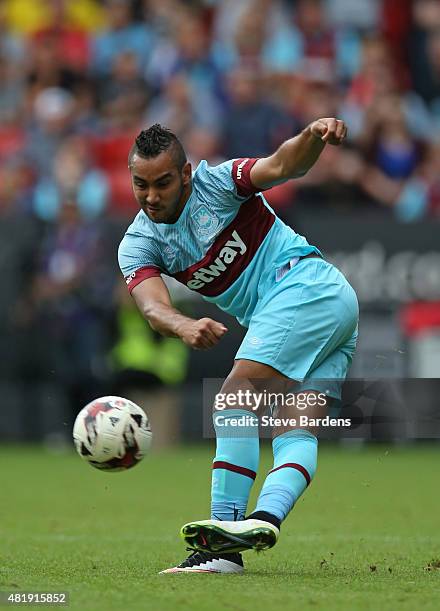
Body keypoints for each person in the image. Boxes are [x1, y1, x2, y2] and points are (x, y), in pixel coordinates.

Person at [118, 121, 359, 574]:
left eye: (163, 183)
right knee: (295, 430)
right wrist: (182, 325)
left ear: (186, 174)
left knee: (234, 400)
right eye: (141, 184)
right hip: (332, 305)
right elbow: (151, 308)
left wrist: (313, 135)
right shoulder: (139, 243)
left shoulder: (218, 184)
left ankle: (220, 546)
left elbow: (283, 164)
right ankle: (264, 519)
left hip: (303, 289)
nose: (151, 196)